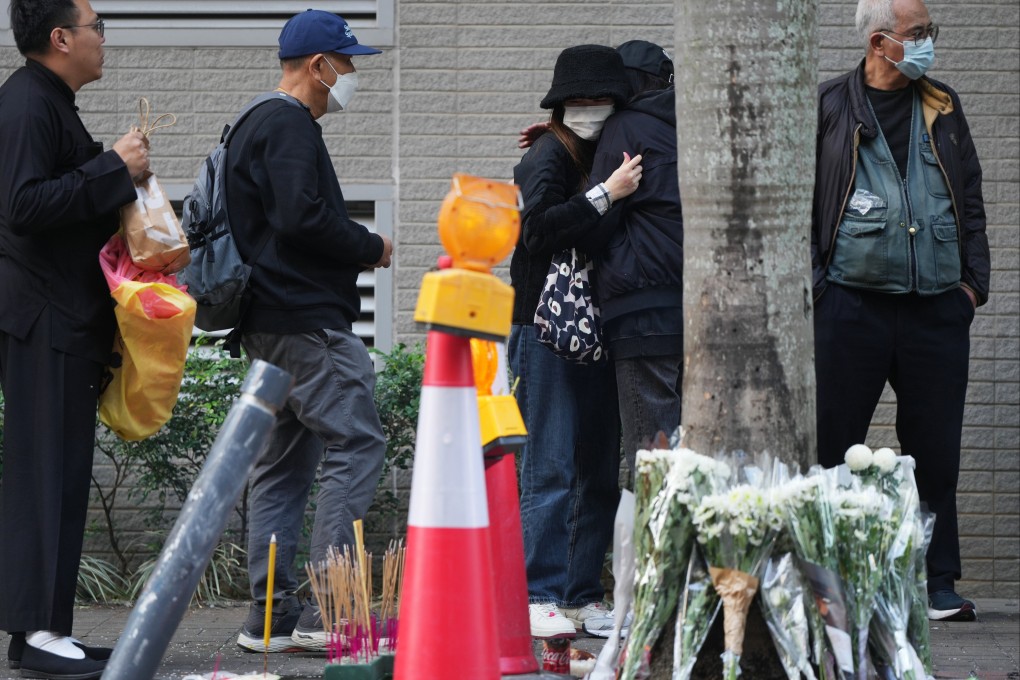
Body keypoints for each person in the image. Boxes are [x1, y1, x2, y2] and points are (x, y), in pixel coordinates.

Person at [813, 0, 989, 622]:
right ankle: (825, 579)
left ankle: (935, 582)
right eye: (919, 34)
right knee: (833, 447)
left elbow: (967, 193)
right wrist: (819, 288)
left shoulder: (943, 104)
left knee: (935, 449)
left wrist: (972, 287)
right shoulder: (830, 105)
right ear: (880, 42)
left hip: (936, 308)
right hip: (849, 305)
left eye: (927, 33)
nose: (928, 44)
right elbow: (808, 196)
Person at [226, 9, 392, 653]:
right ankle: (328, 610)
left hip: (266, 322)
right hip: (306, 320)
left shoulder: (250, 122)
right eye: (346, 62)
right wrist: (368, 244)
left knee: (283, 467)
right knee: (356, 442)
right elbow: (301, 217)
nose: (350, 74)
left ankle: (268, 620)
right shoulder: (288, 123)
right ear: (318, 65)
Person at [0, 0, 150, 677]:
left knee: (59, 475)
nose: (103, 39)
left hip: (65, 320)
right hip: (43, 320)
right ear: (60, 38)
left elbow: (72, 202)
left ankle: (48, 630)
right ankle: (34, 635)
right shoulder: (28, 103)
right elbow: (25, 207)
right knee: (43, 475)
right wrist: (112, 166)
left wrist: (118, 175)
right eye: (97, 27)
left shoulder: (49, 101)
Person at [509, 44, 642, 639]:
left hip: (600, 326)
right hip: (545, 327)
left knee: (596, 469)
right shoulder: (548, 152)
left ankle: (584, 593)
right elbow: (536, 230)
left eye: (601, 99)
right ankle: (538, 592)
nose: (590, 109)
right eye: (578, 100)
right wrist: (604, 193)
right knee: (551, 463)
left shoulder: (613, 150)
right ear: (561, 104)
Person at [589, 41, 683, 479]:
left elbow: (596, 222)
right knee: (693, 458)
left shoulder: (625, 127)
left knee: (653, 459)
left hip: (641, 309)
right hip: (693, 306)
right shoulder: (695, 124)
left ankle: (658, 549)